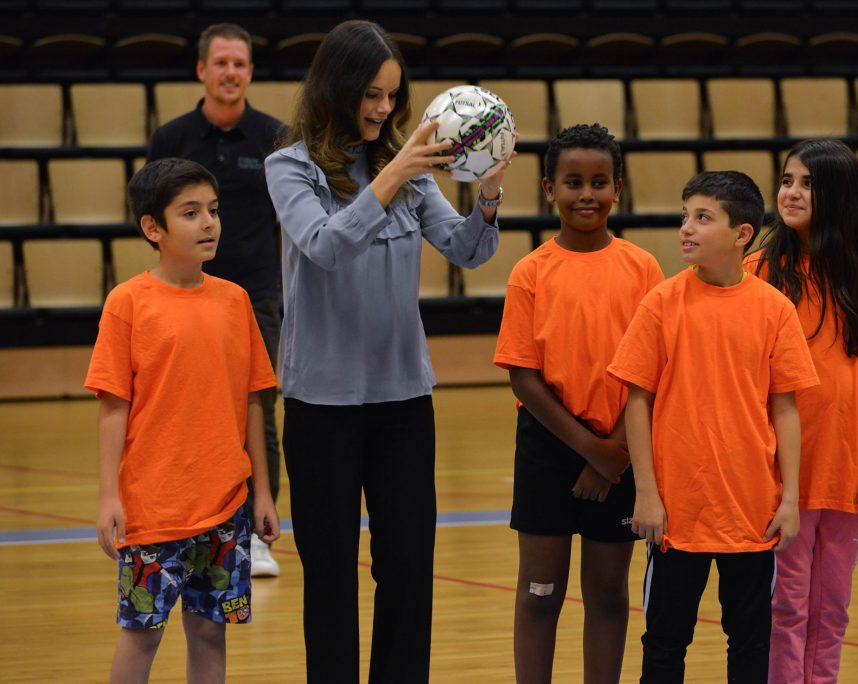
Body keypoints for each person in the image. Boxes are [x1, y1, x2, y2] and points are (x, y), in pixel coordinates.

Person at [262, 19, 508, 683]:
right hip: (322, 406)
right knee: (332, 574)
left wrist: (487, 195)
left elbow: (466, 250)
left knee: (406, 567)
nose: (382, 110)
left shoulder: (411, 171)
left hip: (404, 403)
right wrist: (392, 176)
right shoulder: (288, 167)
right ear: (338, 89)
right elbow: (324, 246)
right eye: (371, 94)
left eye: (393, 97)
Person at [608, 171, 819, 683]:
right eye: (685, 216)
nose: (686, 228)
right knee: (663, 642)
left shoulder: (774, 309)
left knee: (749, 642)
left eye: (703, 218)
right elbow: (637, 401)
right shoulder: (661, 302)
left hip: (752, 512)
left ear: (742, 234)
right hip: (677, 513)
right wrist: (647, 494)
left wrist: (790, 497)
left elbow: (785, 408)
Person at [86, 158, 280, 683]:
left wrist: (261, 492)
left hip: (225, 507)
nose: (209, 223)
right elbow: (112, 407)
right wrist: (110, 498)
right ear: (153, 227)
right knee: (143, 634)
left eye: (213, 211)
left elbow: (252, 403)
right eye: (190, 213)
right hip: (153, 510)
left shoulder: (235, 300)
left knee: (211, 632)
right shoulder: (126, 303)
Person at [744, 138, 858, 683]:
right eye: (788, 180)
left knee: (832, 606)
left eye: (807, 183)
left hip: (849, 472)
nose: (791, 192)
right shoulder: (757, 269)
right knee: (786, 606)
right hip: (782, 479)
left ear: (840, 196)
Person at [493, 123, 664, 683]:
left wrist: (613, 452)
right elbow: (523, 378)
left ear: (618, 188)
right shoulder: (530, 272)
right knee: (540, 595)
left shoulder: (643, 270)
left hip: (622, 442)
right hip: (551, 446)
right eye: (572, 182)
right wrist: (593, 451)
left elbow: (652, 371)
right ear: (548, 189)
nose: (586, 194)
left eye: (599, 181)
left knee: (609, 596)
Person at [146, 23, 285, 578]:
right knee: (186, 410)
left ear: (250, 72)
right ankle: (187, 523)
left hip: (255, 297)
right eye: (222, 63)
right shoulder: (171, 139)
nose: (232, 72)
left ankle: (254, 533)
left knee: (259, 411)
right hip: (185, 297)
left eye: (241, 64)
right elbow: (153, 220)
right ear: (202, 69)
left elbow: (289, 223)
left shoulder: (275, 137)